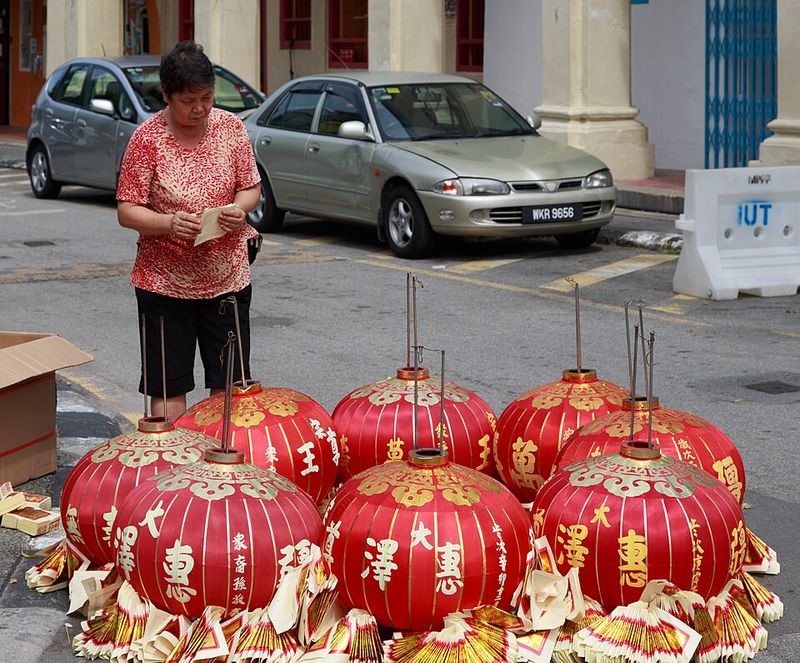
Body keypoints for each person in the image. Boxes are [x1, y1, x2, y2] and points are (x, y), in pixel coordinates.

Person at [117, 41, 261, 421]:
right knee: (168, 385)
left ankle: (219, 456)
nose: (200, 108)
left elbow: (250, 186)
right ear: (167, 96)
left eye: (207, 97)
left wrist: (238, 209)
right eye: (188, 100)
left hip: (226, 279)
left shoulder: (231, 128)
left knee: (228, 384)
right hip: (164, 282)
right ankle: (172, 456)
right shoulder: (146, 140)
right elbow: (127, 210)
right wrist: (168, 223)